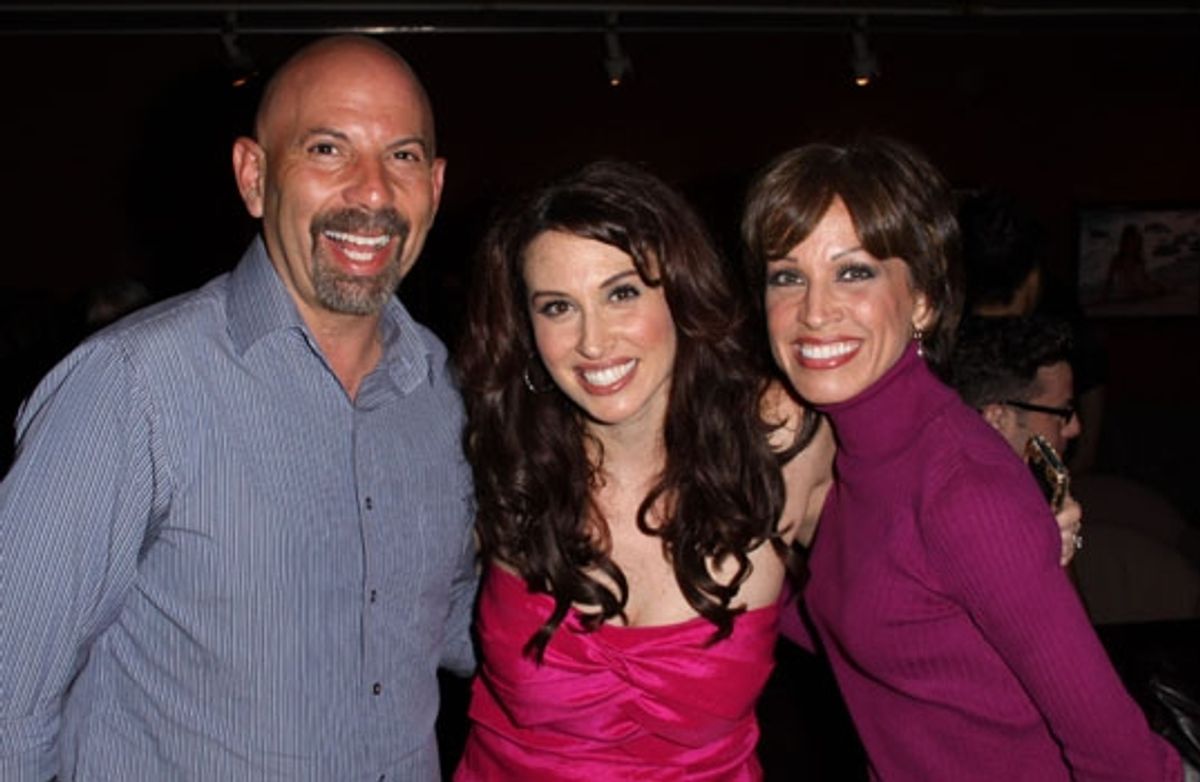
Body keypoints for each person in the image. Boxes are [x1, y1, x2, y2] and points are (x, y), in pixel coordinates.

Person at [0, 36, 476, 781]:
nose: (374, 192)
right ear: (254, 178)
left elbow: (455, 630)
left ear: (437, 187)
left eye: (404, 157)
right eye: (327, 149)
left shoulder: (449, 398)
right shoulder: (130, 387)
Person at [742, 137, 1186, 780]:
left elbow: (1122, 757)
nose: (814, 311)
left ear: (922, 299)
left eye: (854, 271)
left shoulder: (961, 488)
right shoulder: (855, 456)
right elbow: (870, 631)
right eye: (788, 276)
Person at [452, 160, 834, 780]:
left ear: (680, 292)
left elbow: (911, 550)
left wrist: (1032, 511)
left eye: (622, 292)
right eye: (557, 308)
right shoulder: (494, 455)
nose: (593, 342)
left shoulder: (781, 439)